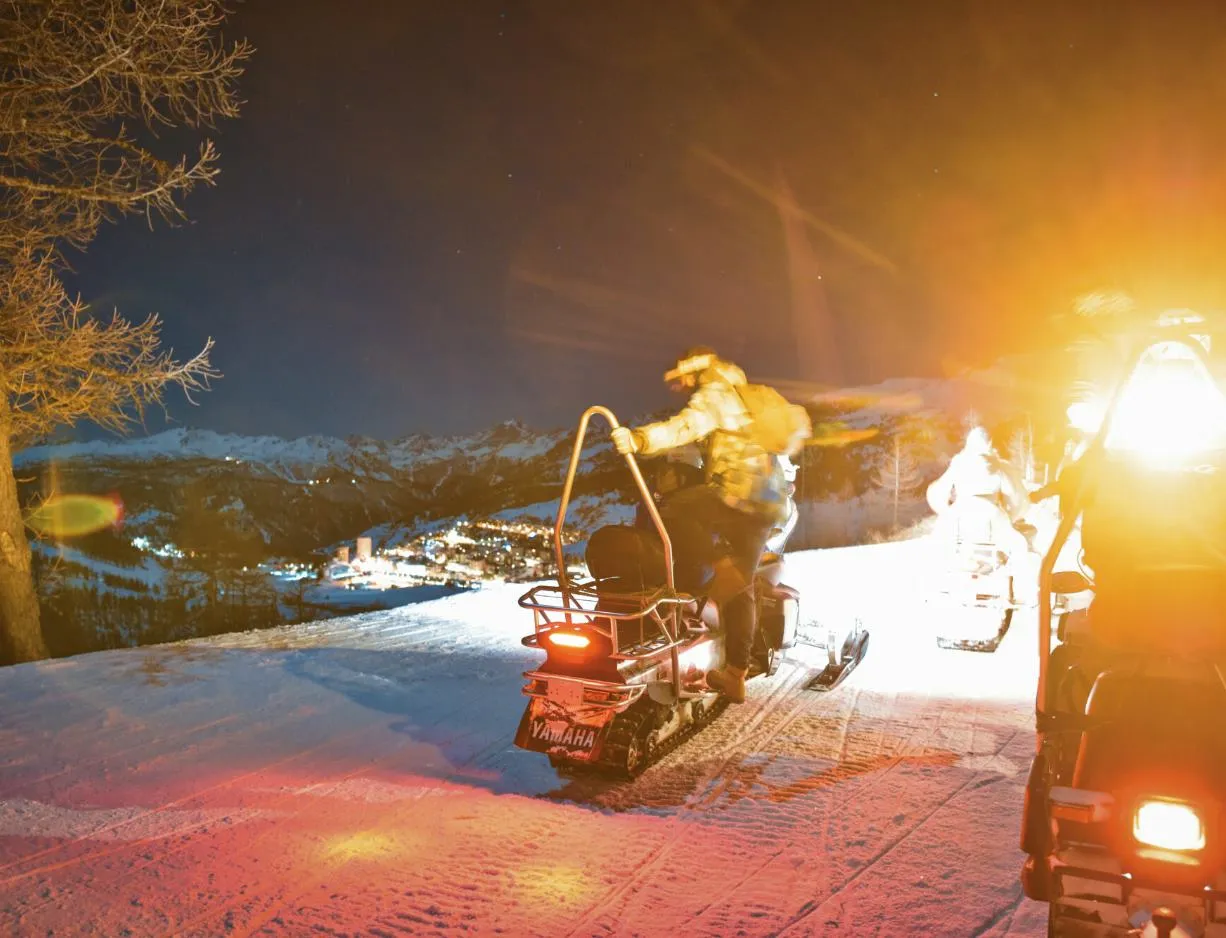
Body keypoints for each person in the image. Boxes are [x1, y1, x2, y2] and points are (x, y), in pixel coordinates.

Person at [612, 346, 791, 703]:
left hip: (735, 495)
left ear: (694, 368)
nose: (679, 383)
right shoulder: (749, 397)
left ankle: (717, 564)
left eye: (681, 375)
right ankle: (735, 675)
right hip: (768, 504)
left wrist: (640, 439)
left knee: (674, 511)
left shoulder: (716, 393)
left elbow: (686, 426)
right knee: (742, 589)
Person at [926, 425, 1030, 560]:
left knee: (940, 547)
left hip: (961, 517)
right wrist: (1012, 516)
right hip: (993, 518)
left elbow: (938, 492)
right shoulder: (998, 466)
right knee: (1020, 547)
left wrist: (946, 511)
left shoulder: (958, 464)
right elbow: (1015, 496)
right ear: (989, 443)